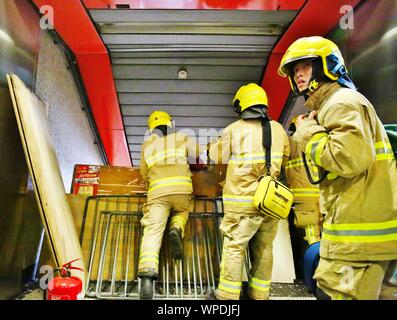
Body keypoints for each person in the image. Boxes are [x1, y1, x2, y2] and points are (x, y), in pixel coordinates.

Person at [278, 36, 397, 300]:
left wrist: (307, 132)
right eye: (295, 70)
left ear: (327, 66)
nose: (298, 75)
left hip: (358, 240)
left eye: (306, 66)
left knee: (332, 292)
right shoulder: (335, 103)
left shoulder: (341, 102)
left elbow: (348, 159)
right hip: (360, 234)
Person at [208, 83, 290, 300]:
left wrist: (211, 146)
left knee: (235, 247)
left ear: (241, 105)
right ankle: (259, 295)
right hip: (270, 202)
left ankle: (226, 297)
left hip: (242, 203)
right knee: (264, 249)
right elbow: (287, 157)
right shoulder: (279, 130)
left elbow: (216, 158)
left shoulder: (234, 130)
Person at [138, 110, 202, 299]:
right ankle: (176, 227)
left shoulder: (147, 146)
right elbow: (199, 154)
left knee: (152, 232)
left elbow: (143, 173)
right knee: (183, 211)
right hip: (181, 190)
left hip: (158, 194)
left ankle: (147, 280)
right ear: (170, 125)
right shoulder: (181, 137)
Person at [285, 116, 322, 280]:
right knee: (311, 239)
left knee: (310, 241)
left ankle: (314, 280)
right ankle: (311, 278)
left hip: (302, 203)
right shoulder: (316, 141)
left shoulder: (292, 143)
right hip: (315, 201)